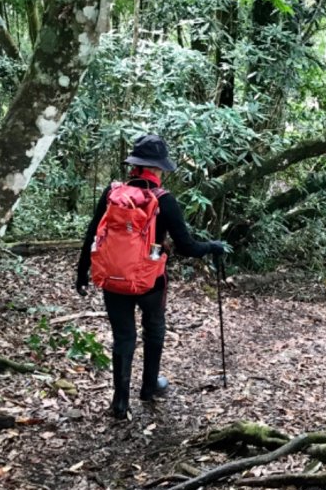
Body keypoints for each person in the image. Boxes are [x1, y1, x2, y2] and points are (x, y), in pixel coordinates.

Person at [75, 134, 225, 419]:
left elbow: (93, 232)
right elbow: (187, 247)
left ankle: (120, 402)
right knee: (153, 329)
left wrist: (82, 272)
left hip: (113, 279)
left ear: (134, 166)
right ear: (157, 169)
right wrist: (213, 247)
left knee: (123, 337)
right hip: (150, 282)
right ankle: (149, 387)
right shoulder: (164, 201)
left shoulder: (112, 193)